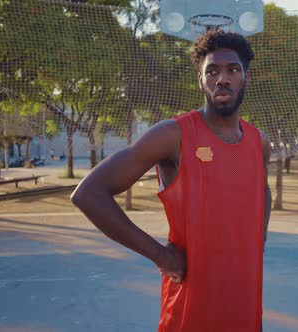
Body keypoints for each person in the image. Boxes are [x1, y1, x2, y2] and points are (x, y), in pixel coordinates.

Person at [71, 30, 271, 332]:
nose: (223, 78)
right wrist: (160, 255)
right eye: (212, 70)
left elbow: (263, 191)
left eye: (233, 69)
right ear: (200, 80)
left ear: (247, 77)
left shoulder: (259, 142)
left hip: (244, 302)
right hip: (190, 306)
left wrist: (260, 240)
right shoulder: (173, 135)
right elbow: (89, 194)